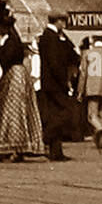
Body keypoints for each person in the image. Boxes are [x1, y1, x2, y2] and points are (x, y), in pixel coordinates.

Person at [0, 7, 43, 161]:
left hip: (14, 77)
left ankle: (15, 147)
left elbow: (7, 59)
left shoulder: (10, 40)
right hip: (16, 76)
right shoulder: (11, 38)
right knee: (15, 111)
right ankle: (16, 147)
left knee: (14, 111)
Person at [37, 11, 79, 159]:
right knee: (65, 113)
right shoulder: (51, 37)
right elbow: (56, 63)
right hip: (55, 83)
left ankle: (56, 152)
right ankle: (46, 135)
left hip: (49, 83)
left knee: (54, 115)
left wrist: (64, 38)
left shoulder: (53, 36)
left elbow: (71, 51)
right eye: (64, 22)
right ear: (59, 21)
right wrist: (64, 81)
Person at [77, 36, 102, 149]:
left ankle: (100, 129)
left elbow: (83, 74)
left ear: (93, 41)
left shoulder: (87, 53)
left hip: (92, 88)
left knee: (92, 116)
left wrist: (80, 90)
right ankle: (101, 142)